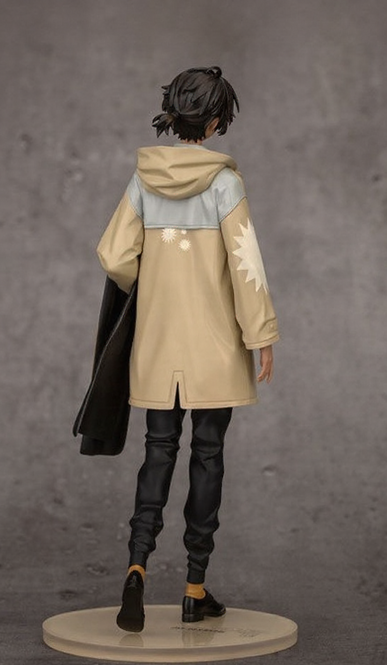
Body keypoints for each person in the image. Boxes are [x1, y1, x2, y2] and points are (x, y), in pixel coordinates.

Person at [96, 66, 279, 633]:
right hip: (214, 348)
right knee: (207, 456)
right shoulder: (225, 185)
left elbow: (113, 255)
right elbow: (246, 265)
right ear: (217, 120)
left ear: (172, 116)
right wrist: (261, 334)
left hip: (157, 345)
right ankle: (194, 589)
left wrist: (152, 288)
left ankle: (136, 568)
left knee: (157, 451)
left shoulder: (143, 180)